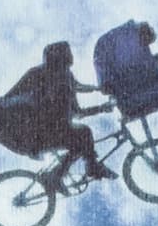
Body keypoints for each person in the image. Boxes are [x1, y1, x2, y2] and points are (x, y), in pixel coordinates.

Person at [18, 40, 117, 181]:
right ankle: (60, 175)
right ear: (62, 57)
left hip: (39, 133)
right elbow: (78, 112)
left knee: (80, 138)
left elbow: (79, 87)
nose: (71, 56)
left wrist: (98, 89)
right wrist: (101, 108)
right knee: (83, 135)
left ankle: (63, 173)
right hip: (42, 134)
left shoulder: (60, 77)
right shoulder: (61, 83)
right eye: (68, 53)